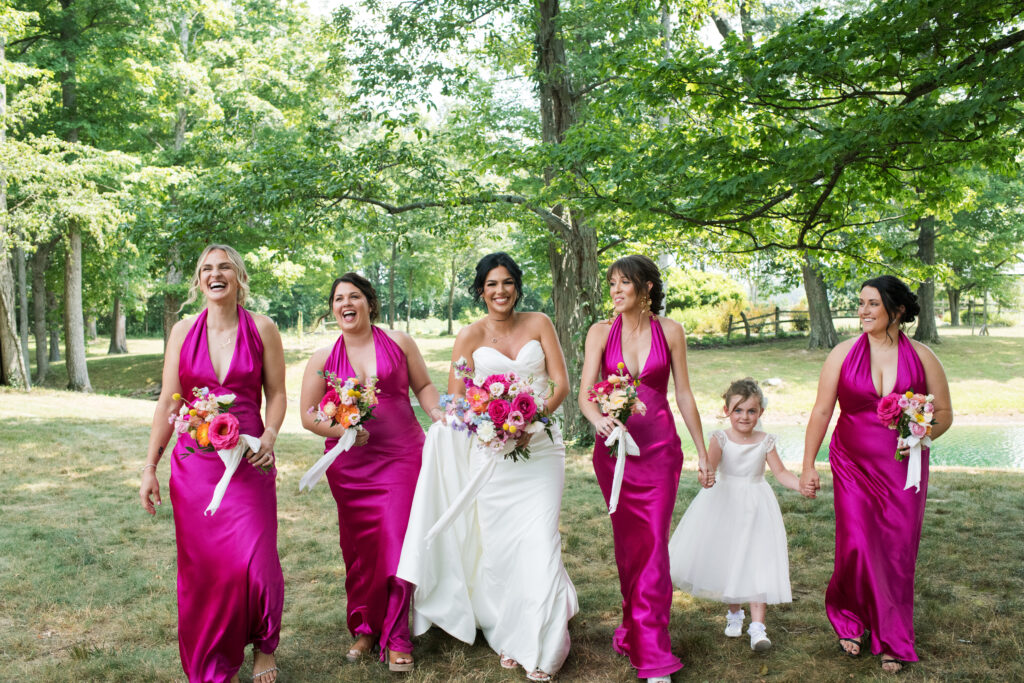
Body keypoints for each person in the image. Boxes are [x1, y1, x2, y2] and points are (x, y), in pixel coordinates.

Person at [397, 252, 578, 682]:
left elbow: (562, 384)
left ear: (518, 286)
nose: (500, 291)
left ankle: (544, 640)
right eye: (492, 284)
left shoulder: (540, 324)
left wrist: (534, 419)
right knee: (501, 545)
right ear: (481, 290)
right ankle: (510, 627)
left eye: (508, 282)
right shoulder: (468, 336)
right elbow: (457, 401)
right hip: (493, 454)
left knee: (539, 537)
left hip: (541, 448)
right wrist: (490, 426)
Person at [140, 244, 285, 683]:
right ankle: (214, 661)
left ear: (239, 277)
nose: (215, 274)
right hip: (195, 465)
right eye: (207, 269)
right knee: (206, 571)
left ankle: (264, 645)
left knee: (256, 560)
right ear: (199, 281)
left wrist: (271, 434)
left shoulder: (263, 328)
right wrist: (150, 466)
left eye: (224, 267)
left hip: (248, 460)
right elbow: (170, 400)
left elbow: (276, 393)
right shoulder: (183, 330)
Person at [800, 275, 952, 674]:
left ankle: (893, 638)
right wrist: (807, 465)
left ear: (896, 311)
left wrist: (920, 435)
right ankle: (851, 618)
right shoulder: (842, 353)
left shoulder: (922, 357)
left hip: (904, 467)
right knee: (856, 543)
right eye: (861, 303)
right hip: (851, 462)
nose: (862, 311)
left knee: (897, 550)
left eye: (872, 304)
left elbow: (946, 414)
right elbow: (821, 411)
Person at [299, 272, 443, 672]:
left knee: (396, 541)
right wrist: (342, 430)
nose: (346, 303)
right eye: (339, 298)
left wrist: (437, 414)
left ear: (370, 303)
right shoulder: (322, 359)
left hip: (401, 456)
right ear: (333, 309)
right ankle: (364, 626)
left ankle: (397, 636)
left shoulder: (399, 342)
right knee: (359, 550)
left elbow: (425, 386)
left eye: (355, 296)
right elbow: (309, 416)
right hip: (350, 467)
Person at [578, 254, 708, 683]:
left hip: (659, 451)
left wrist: (702, 450)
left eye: (624, 283)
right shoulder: (599, 332)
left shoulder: (670, 331)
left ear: (646, 288)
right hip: (614, 453)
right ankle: (635, 627)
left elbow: (684, 394)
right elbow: (585, 395)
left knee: (653, 541)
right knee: (629, 546)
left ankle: (653, 652)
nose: (615, 291)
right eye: (611, 283)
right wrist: (599, 420)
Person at [669, 378, 802, 652]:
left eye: (751, 411)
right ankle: (734, 613)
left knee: (756, 559)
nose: (745, 417)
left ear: (761, 413)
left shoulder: (766, 441)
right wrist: (705, 477)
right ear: (726, 410)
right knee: (732, 557)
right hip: (726, 502)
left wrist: (800, 484)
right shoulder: (720, 438)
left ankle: (758, 628)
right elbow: (711, 467)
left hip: (756, 505)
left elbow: (780, 473)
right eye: (738, 410)